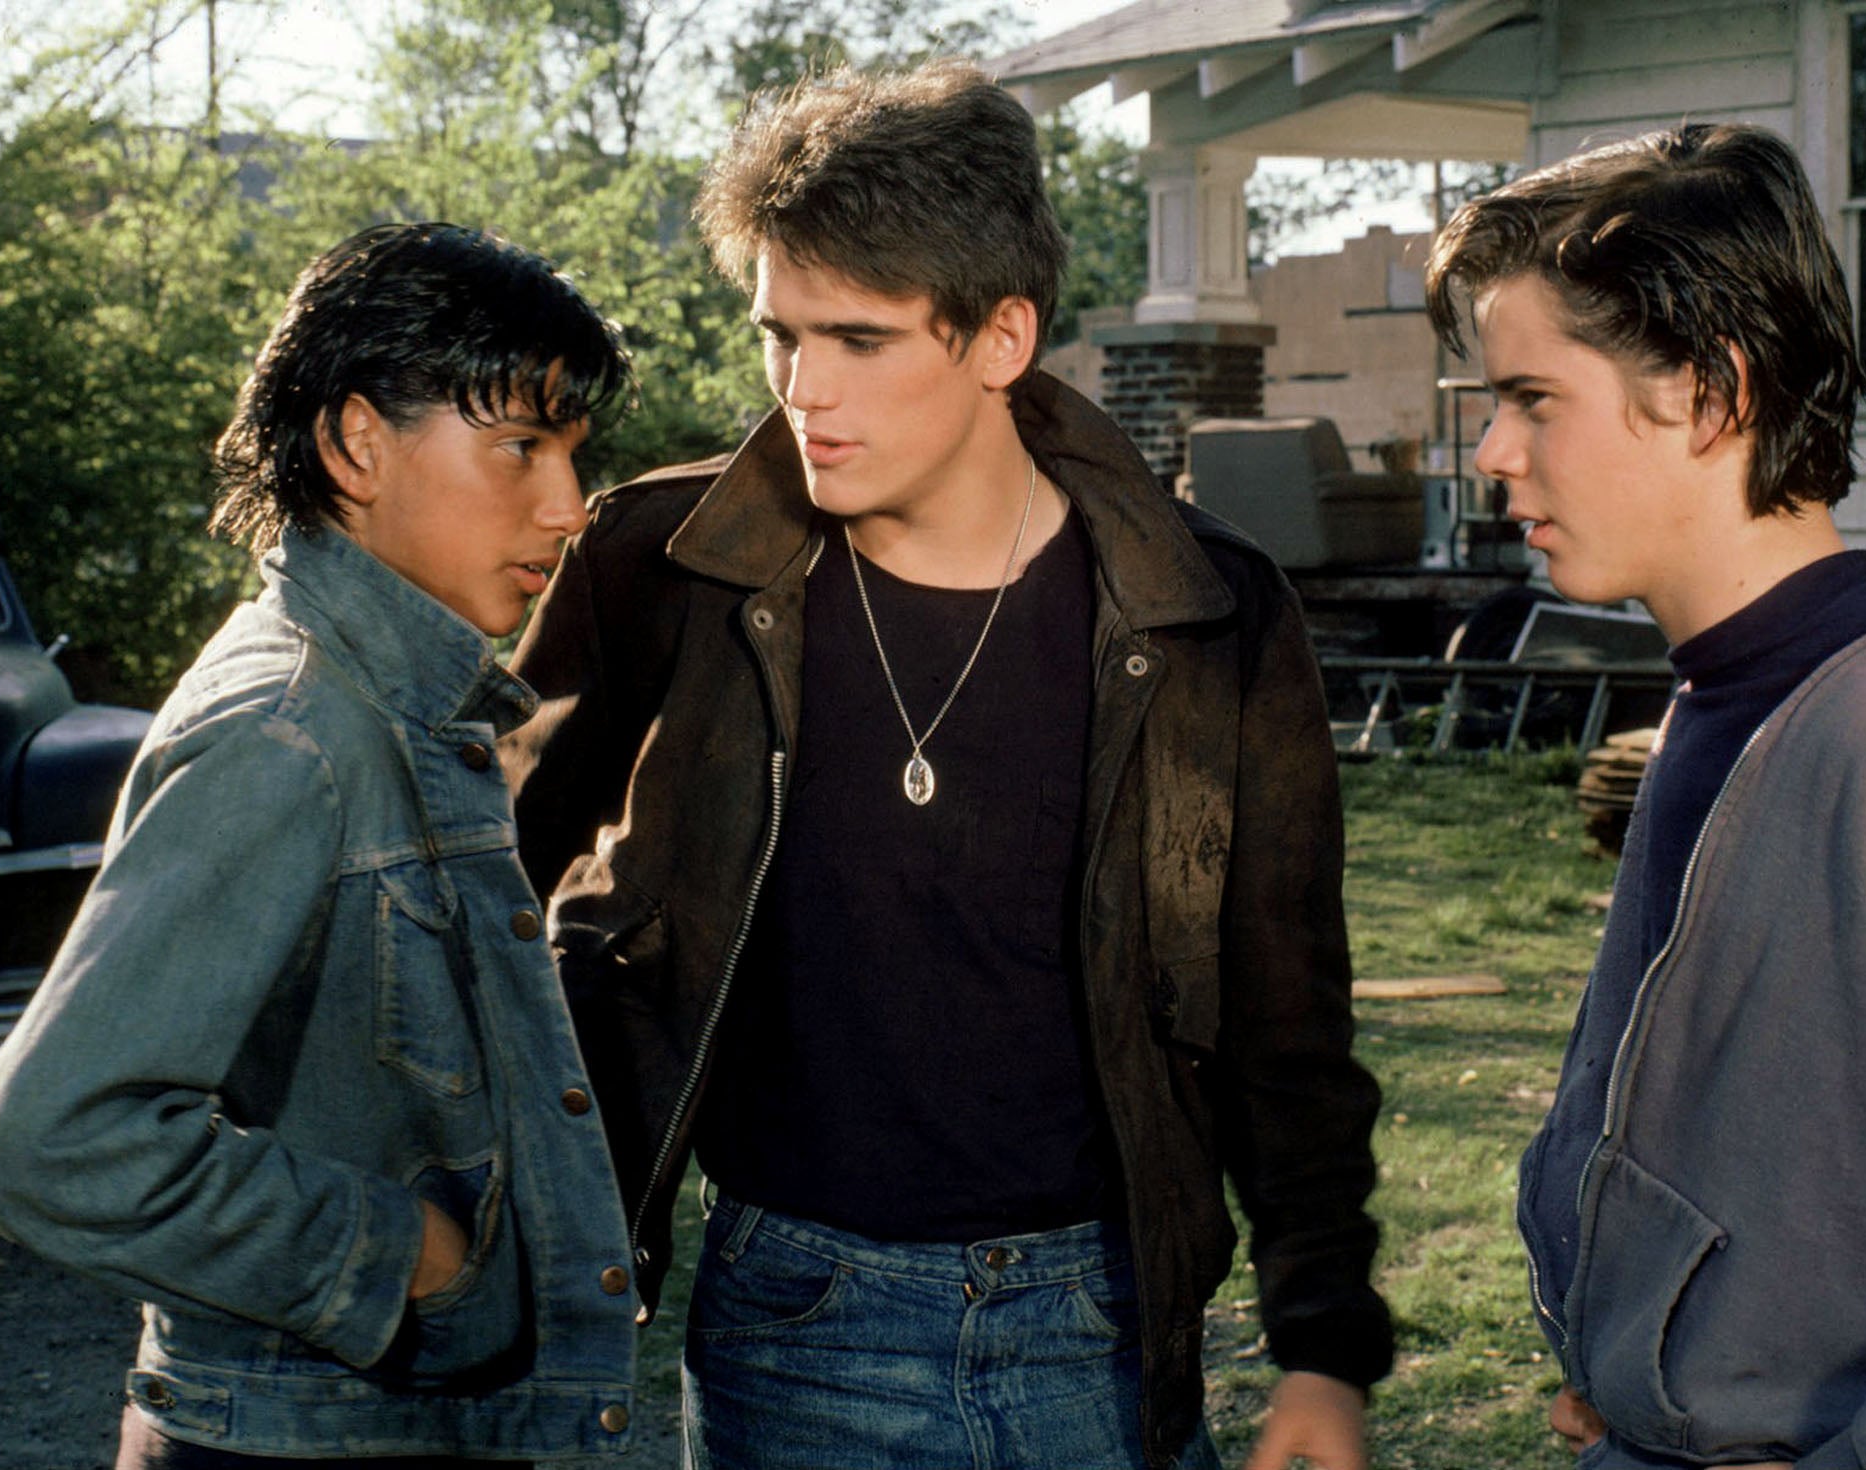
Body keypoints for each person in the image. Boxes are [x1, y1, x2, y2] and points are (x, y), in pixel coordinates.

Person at [501, 59, 1393, 1470]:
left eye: (859, 339)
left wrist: (1323, 1344)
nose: (802, 390)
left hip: (1102, 1327)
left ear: (1002, 337)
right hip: (797, 1319)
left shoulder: (1205, 610)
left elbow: (1286, 1011)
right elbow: (487, 923)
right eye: (779, 335)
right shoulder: (659, 572)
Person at [1424, 122, 1866, 1470]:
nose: (1493, 457)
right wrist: (1641, 1369)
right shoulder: (1713, 700)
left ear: (1708, 393)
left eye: (1530, 399)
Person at [0, 221, 641, 1467]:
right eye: (521, 449)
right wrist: (399, 1258)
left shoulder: (392, 703)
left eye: (573, 455)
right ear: (355, 442)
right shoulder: (293, 733)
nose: (568, 507)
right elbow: (43, 1140)